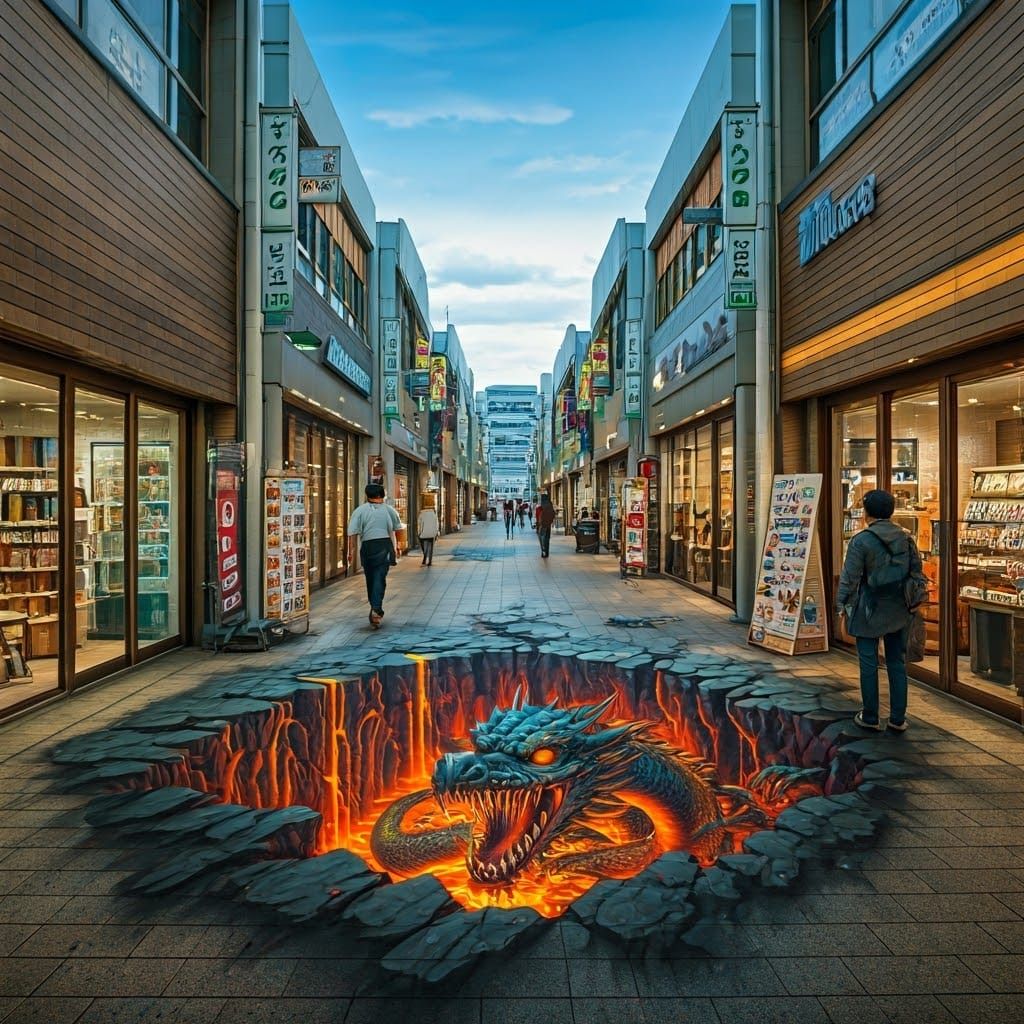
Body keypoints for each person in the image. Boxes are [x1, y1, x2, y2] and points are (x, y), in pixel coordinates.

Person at [836, 488, 924, 733]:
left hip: (868, 607)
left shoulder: (861, 540)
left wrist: (840, 605)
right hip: (899, 607)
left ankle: (871, 716)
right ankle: (897, 719)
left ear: (866, 513)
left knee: (868, 662)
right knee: (896, 662)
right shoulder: (906, 538)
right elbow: (917, 573)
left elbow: (849, 577)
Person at [347, 484, 402, 629]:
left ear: (367, 495)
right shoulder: (390, 510)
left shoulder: (359, 511)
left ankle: (375, 609)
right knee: (379, 577)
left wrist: (350, 552)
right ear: (382, 495)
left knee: (370, 578)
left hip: (367, 547)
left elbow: (352, 533)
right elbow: (398, 529)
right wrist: (398, 546)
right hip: (384, 545)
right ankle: (376, 609)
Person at [536, 493, 556, 558]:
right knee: (547, 539)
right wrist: (550, 521)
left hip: (543, 525)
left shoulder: (542, 506)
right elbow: (553, 514)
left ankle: (543, 551)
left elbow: (539, 516)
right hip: (548, 525)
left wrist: (539, 522)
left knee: (542, 538)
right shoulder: (550, 505)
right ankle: (546, 552)